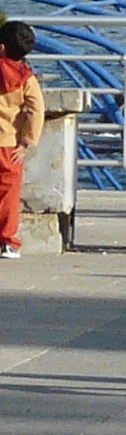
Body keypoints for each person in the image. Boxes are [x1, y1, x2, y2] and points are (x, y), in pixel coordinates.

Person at [0, 22, 41, 261]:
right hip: (10, 145)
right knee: (9, 195)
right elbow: (37, 108)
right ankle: (8, 241)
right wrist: (27, 141)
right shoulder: (25, 77)